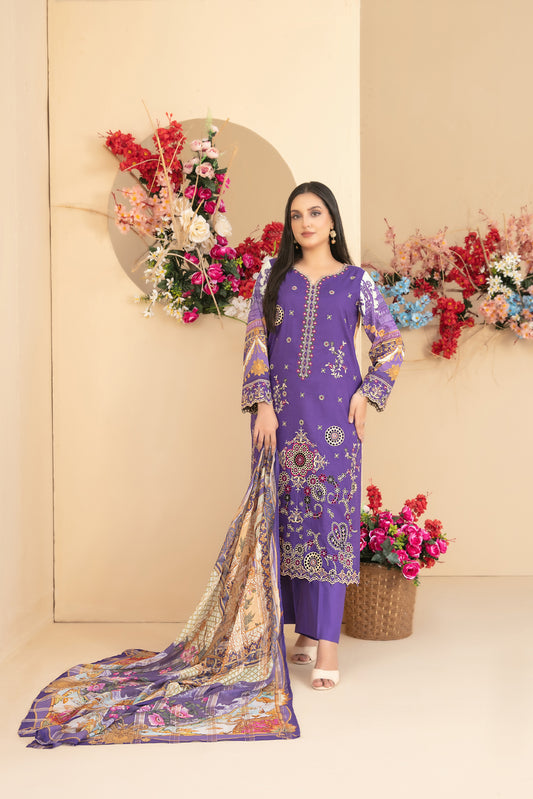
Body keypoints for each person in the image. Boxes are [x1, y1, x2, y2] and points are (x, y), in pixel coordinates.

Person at [241, 181, 404, 690]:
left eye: (315, 213)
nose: (305, 222)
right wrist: (262, 404)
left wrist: (368, 393)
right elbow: (255, 341)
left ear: (331, 220)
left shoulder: (358, 281)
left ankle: (326, 644)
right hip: (278, 419)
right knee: (281, 519)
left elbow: (391, 345)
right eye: (296, 215)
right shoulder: (272, 275)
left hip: (335, 422)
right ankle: (302, 629)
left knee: (330, 521)